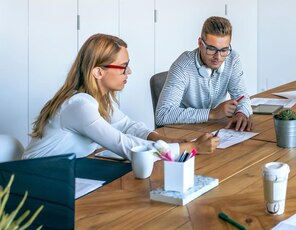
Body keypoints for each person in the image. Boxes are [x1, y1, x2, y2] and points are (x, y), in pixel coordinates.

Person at [23, 34, 219, 160]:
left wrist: (166, 141)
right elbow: (125, 146)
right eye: (123, 67)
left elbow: (129, 127)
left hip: (59, 175)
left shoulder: (98, 99)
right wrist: (191, 147)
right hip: (35, 183)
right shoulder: (79, 105)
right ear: (98, 72)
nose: (129, 71)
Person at [155, 16, 253, 131]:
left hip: (212, 129)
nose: (218, 57)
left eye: (224, 50)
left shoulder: (232, 59)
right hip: (182, 131)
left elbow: (242, 96)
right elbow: (162, 115)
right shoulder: (182, 66)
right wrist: (212, 114)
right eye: (211, 49)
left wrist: (241, 113)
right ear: (200, 43)